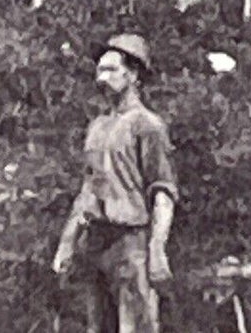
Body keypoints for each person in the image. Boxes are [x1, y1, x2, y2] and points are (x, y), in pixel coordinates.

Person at [51, 33, 177, 333]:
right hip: (96, 243)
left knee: (135, 327)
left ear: (133, 74)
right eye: (99, 71)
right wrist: (67, 243)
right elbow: (88, 190)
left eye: (110, 70)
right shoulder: (97, 128)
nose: (101, 79)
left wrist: (157, 249)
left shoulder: (148, 125)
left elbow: (162, 190)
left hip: (131, 243)